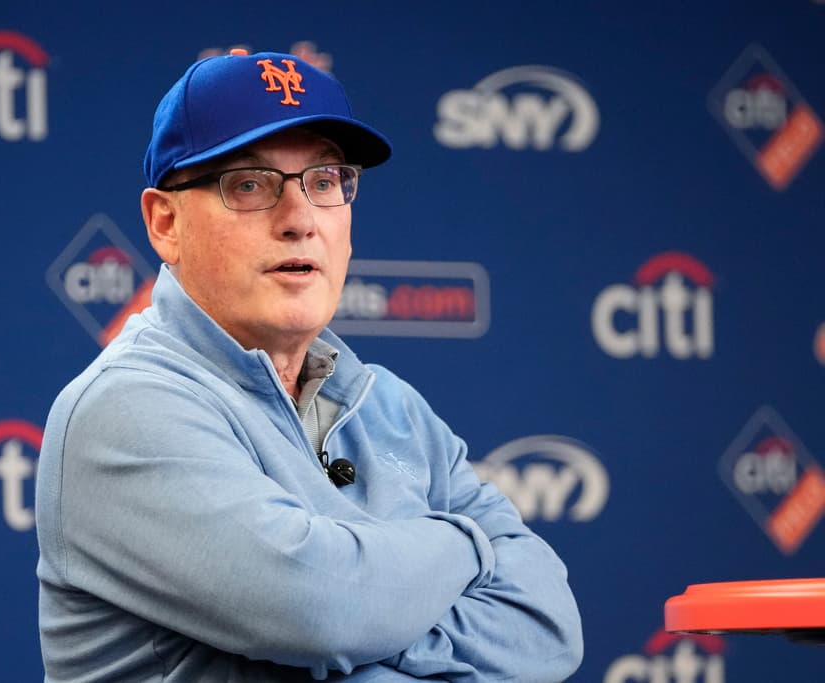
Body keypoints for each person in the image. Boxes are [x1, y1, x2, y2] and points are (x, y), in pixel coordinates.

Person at [36, 49, 583, 683]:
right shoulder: (124, 407)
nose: (299, 220)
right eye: (249, 183)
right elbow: (323, 610)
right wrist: (467, 543)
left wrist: (373, 632)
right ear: (166, 224)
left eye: (324, 182)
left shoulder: (393, 408)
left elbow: (548, 629)